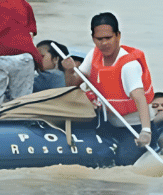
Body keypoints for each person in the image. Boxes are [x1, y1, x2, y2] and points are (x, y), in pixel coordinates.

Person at [62, 12, 155, 163]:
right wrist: (69, 70)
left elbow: (140, 98)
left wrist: (146, 131)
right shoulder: (93, 55)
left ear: (118, 36)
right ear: (93, 38)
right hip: (108, 123)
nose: (104, 43)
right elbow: (72, 85)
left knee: (124, 160)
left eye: (108, 38)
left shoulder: (128, 65)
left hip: (134, 126)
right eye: (99, 39)